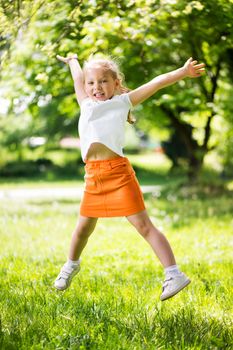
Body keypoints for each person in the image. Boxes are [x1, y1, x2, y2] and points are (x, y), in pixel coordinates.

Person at [54, 52, 205, 301]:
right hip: (93, 177)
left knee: (144, 226)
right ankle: (71, 265)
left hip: (118, 175)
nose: (96, 87)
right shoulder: (85, 103)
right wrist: (73, 62)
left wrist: (182, 72)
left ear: (115, 83)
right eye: (91, 83)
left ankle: (174, 273)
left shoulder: (123, 101)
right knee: (82, 229)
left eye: (103, 81)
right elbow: (77, 79)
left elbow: (156, 82)